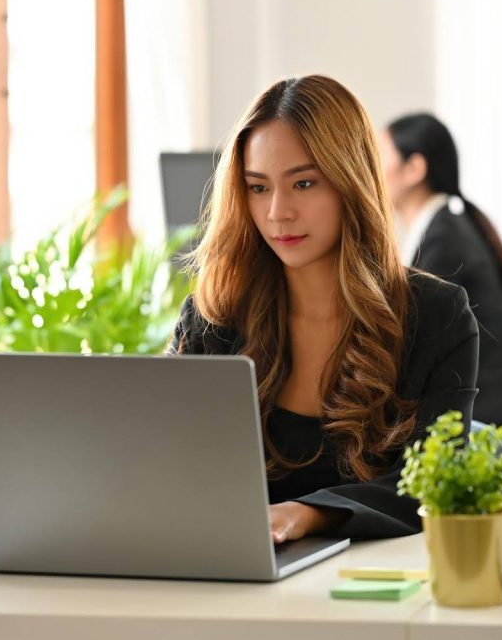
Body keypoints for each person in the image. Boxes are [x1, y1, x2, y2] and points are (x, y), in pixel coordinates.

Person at [167, 76, 479, 542]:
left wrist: (307, 514)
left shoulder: (436, 315)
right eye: (258, 188)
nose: (278, 212)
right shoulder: (215, 316)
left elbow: (433, 485)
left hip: (375, 586)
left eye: (304, 183)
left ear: (351, 182)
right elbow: (168, 466)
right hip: (236, 577)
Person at [378, 112, 502, 462]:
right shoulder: (442, 227)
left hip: (497, 434)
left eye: (380, 158)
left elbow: (411, 341)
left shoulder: (445, 241)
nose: (372, 170)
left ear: (415, 169)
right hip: (490, 420)